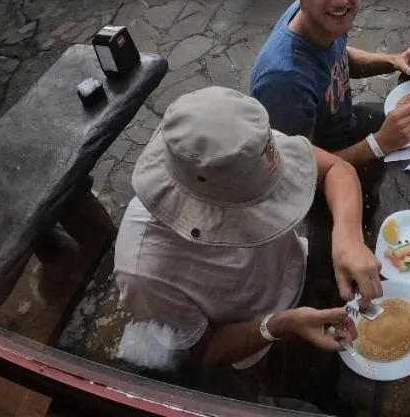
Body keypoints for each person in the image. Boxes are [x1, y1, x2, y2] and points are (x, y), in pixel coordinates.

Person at [114, 87, 382, 406]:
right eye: (257, 208)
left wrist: (347, 236)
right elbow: (203, 349)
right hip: (259, 346)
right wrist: (281, 324)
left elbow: (336, 169)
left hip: (301, 266)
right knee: (314, 396)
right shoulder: (145, 271)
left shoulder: (237, 147)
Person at [251, 0, 410, 167]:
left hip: (346, 128)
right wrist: (380, 143)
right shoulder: (284, 81)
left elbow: (336, 58)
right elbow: (295, 174)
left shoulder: (314, 18)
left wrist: (393, 60)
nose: (339, 1)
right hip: (325, 176)